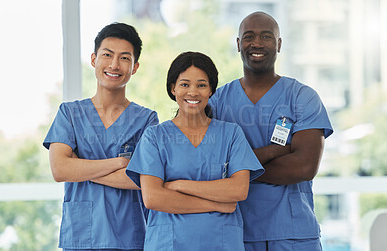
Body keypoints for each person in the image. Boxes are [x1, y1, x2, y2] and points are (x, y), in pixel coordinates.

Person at [208, 12, 333, 251]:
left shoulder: (302, 97)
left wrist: (236, 170)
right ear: (237, 44)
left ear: (279, 44)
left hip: (293, 234)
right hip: (236, 233)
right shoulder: (217, 102)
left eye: (266, 36)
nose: (256, 43)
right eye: (248, 37)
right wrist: (273, 152)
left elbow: (304, 167)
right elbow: (209, 167)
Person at [125, 51, 264, 250]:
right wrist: (217, 204)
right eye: (184, 84)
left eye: (201, 85)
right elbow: (153, 198)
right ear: (173, 88)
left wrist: (180, 185)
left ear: (211, 90)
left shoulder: (231, 134)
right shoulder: (154, 137)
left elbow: (238, 190)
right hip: (169, 244)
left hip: (221, 243)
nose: (193, 92)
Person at [43, 23, 158, 251]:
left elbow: (143, 180)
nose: (114, 65)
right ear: (94, 59)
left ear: (134, 67)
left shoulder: (146, 120)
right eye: (107, 55)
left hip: (129, 237)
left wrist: (80, 168)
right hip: (81, 236)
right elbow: (60, 170)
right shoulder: (70, 113)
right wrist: (119, 163)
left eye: (124, 58)